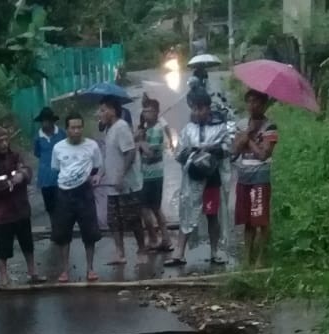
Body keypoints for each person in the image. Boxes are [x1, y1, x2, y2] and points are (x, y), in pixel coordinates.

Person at [167, 90, 231, 268]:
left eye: (200, 108)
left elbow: (228, 148)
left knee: (212, 215)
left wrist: (213, 149)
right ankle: (179, 251)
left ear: (208, 108)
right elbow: (179, 153)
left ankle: (215, 250)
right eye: (194, 108)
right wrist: (192, 151)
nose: (196, 112)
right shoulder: (188, 129)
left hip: (212, 177)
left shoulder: (220, 127)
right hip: (193, 177)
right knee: (187, 212)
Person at [0, 125, 43, 286]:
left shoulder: (15, 156)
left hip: (21, 209)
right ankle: (4, 278)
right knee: (3, 247)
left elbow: (27, 170)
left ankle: (33, 272)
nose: (3, 144)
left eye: (5, 140)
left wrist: (23, 174)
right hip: (2, 213)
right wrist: (10, 182)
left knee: (27, 242)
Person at [50, 112, 104, 283]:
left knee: (89, 232)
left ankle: (90, 269)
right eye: (73, 128)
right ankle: (65, 270)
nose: (76, 131)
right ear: (66, 129)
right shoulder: (58, 148)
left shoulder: (92, 146)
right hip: (64, 193)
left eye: (79, 127)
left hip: (85, 193)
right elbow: (56, 168)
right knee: (62, 234)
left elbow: (98, 167)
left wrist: (97, 177)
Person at [232, 89, 279, 267]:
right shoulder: (241, 124)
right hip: (244, 177)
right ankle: (247, 256)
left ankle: (261, 257)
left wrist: (248, 138)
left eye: (257, 102)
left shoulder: (270, 127)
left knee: (261, 219)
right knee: (248, 221)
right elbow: (234, 150)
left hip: (260, 176)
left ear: (264, 105)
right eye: (250, 102)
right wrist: (246, 136)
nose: (253, 106)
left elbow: (263, 154)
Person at [98, 97, 146, 265]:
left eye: (103, 110)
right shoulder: (109, 129)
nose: (100, 113)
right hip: (112, 184)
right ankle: (120, 252)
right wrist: (100, 174)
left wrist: (120, 175)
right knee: (113, 220)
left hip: (127, 185)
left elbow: (130, 153)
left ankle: (141, 249)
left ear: (113, 110)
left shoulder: (121, 127)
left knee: (133, 219)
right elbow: (108, 155)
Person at [137, 96, 173, 253]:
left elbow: (152, 154)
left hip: (153, 175)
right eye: (144, 111)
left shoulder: (157, 130)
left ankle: (155, 238)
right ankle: (163, 238)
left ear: (157, 113)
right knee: (152, 208)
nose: (146, 114)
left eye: (149, 111)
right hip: (145, 174)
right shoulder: (146, 128)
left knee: (148, 208)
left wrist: (140, 141)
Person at [32, 107, 66, 218]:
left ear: (52, 121)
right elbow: (37, 153)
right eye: (43, 121)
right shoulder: (38, 138)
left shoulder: (61, 134)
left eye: (47, 120)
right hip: (45, 177)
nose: (45, 123)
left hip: (61, 176)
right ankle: (55, 230)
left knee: (63, 206)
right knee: (50, 207)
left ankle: (64, 230)